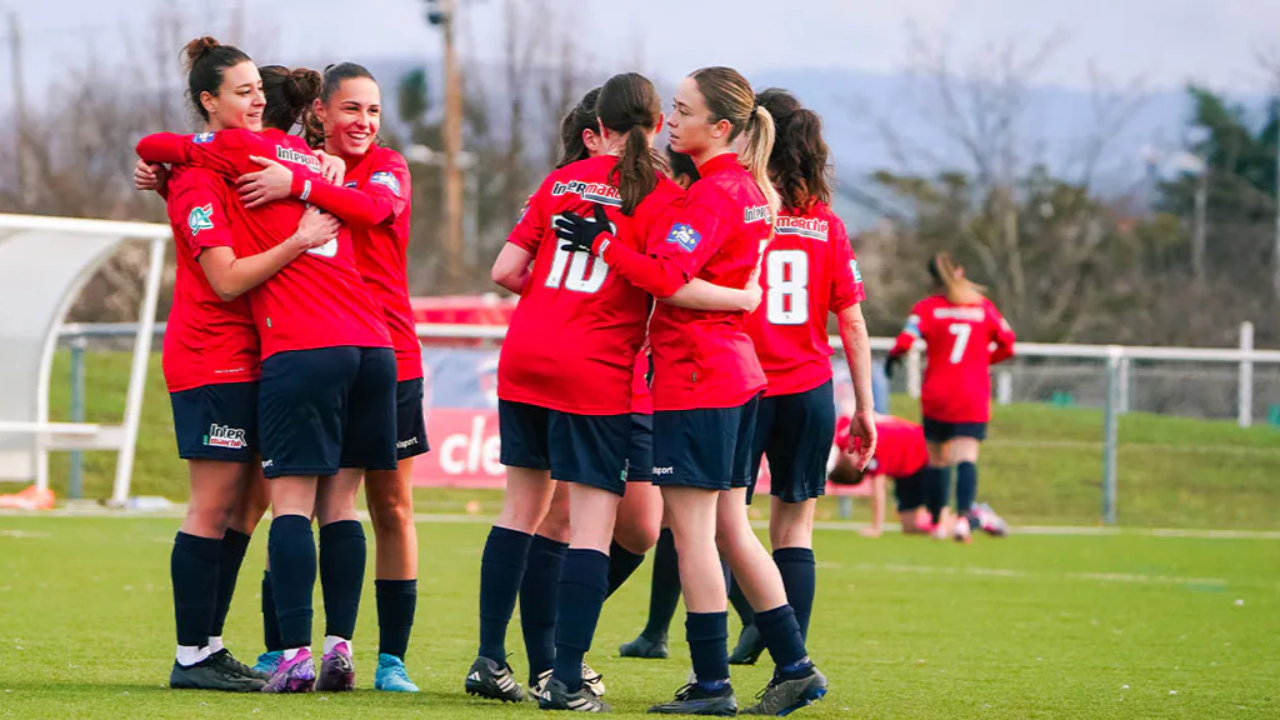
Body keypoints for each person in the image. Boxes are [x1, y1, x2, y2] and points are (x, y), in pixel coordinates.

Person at [473, 72, 759, 712]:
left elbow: (505, 270)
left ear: (595, 125)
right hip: (594, 363)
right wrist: (742, 297)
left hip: (524, 355)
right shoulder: (659, 193)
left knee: (519, 509)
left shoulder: (558, 181)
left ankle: (491, 660)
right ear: (658, 125)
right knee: (591, 529)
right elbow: (666, 280)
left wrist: (552, 299)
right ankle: (565, 678)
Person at [555, 66, 826, 717]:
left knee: (698, 534)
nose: (669, 122)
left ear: (721, 126)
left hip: (699, 378)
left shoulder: (718, 193)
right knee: (731, 528)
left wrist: (601, 244)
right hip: (734, 374)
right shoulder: (728, 187)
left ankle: (713, 684)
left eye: (681, 110)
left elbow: (668, 278)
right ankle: (795, 666)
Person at [137, 50, 398, 694]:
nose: (254, 102)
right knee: (218, 504)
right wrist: (299, 236)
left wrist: (309, 174)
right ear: (209, 103)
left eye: (259, 92)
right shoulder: (200, 177)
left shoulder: (271, 162)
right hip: (214, 353)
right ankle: (196, 651)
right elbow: (224, 281)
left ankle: (221, 645)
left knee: (254, 506)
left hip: (274, 350)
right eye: (242, 92)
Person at [230, 62, 425, 693]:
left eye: (372, 111)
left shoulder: (388, 167)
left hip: (386, 350)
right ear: (320, 113)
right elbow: (221, 163)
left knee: (388, 505)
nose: (364, 123)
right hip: (314, 346)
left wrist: (303, 183)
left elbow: (372, 211)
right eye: (351, 110)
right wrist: (157, 174)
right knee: (284, 501)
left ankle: (389, 658)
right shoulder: (290, 160)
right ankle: (280, 647)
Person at [730, 88, 876, 666]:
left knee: (720, 521)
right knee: (794, 532)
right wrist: (863, 407)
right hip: (810, 390)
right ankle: (791, 661)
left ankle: (756, 626)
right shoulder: (828, 225)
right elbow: (854, 323)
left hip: (739, 386)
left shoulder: (739, 208)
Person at [885, 253, 1016, 542]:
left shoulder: (926, 309)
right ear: (960, 271)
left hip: (938, 393)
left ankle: (936, 521)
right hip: (972, 392)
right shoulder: (983, 307)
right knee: (966, 456)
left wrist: (894, 356)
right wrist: (983, 360)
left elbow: (906, 341)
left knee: (936, 458)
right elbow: (1008, 342)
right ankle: (963, 519)